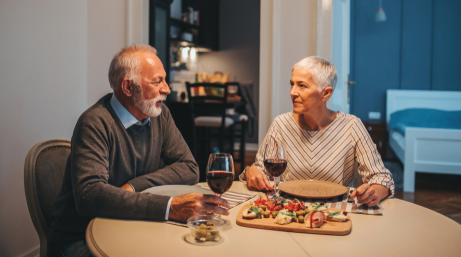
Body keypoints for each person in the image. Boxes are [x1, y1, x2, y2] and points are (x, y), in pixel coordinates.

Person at [47, 44, 229, 257]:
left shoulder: (160, 114)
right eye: (157, 81)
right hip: (78, 237)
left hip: (128, 225)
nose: (167, 89)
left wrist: (135, 185)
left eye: (164, 79)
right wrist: (169, 207)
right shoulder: (94, 123)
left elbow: (189, 168)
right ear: (128, 87)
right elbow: (90, 195)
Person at [241, 56, 394, 207]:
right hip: (290, 210)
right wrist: (252, 171)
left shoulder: (352, 126)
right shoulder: (281, 124)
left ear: (326, 93)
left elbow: (382, 178)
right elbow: (261, 171)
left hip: (337, 211)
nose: (292, 92)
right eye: (292, 84)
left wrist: (374, 193)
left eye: (302, 85)